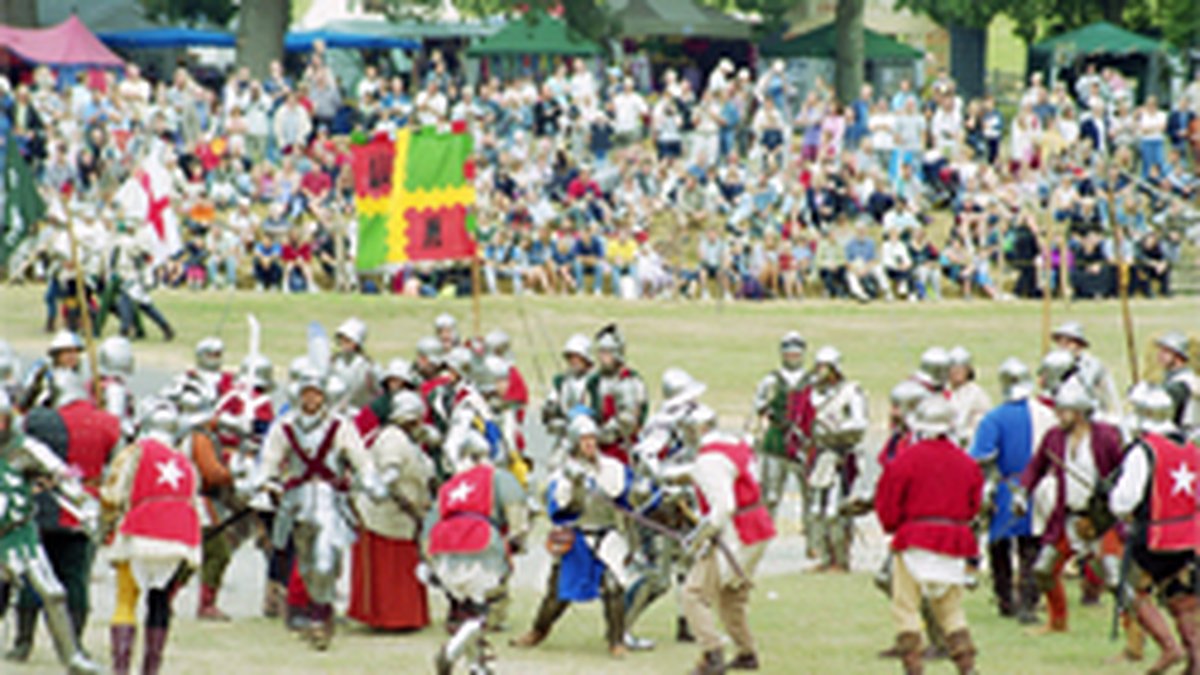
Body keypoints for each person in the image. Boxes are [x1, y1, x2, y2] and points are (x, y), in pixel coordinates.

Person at [254, 365, 384, 650]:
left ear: (324, 396)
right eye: (306, 393)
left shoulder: (340, 426)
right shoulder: (285, 425)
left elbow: (361, 460)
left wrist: (371, 482)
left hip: (330, 500)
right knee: (309, 564)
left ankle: (320, 620)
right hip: (297, 504)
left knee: (326, 559)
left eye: (316, 393)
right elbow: (269, 461)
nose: (311, 399)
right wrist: (262, 482)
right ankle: (315, 611)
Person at [11, 371, 119, 661]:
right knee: (75, 580)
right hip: (83, 510)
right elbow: (118, 463)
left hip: (40, 509)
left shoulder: (37, 421)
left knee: (33, 577)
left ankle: (22, 644)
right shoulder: (107, 422)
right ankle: (75, 645)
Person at [875, 396, 984, 675]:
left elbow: (888, 504)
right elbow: (973, 506)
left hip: (915, 539)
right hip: (954, 541)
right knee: (951, 610)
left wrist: (892, 528)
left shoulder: (906, 460)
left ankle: (914, 668)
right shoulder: (966, 463)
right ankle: (966, 666)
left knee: (906, 608)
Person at [512, 415, 632, 658]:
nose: (589, 444)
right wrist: (576, 486)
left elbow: (625, 498)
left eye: (592, 439)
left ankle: (616, 640)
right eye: (583, 440)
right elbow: (560, 511)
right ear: (574, 443)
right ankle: (538, 630)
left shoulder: (613, 468)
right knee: (558, 592)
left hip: (607, 535)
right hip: (576, 538)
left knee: (613, 586)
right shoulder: (562, 475)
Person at [0, 391, 102, 674]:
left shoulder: (24, 449)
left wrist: (85, 504)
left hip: (19, 534)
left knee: (52, 592)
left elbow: (63, 477)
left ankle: (72, 658)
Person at [673, 404, 776, 674]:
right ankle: (746, 652)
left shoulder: (708, 460)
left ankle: (712, 653)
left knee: (693, 594)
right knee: (732, 595)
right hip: (758, 528)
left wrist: (695, 539)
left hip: (736, 532)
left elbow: (723, 507)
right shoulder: (733, 444)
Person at [100, 402, 201, 675]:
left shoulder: (135, 452)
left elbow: (114, 493)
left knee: (126, 600)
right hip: (181, 539)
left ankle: (121, 670)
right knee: (159, 602)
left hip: (141, 531)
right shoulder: (185, 462)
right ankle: (150, 670)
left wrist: (107, 520)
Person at [1015, 379, 1123, 634]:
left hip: (1102, 517)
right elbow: (1035, 468)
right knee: (1044, 570)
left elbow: (1123, 471)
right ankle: (1057, 621)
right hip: (1067, 516)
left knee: (1115, 577)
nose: (1058, 415)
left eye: (1064, 411)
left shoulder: (1106, 436)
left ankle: (1135, 633)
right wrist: (1022, 493)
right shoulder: (1054, 437)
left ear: (1080, 412)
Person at [1108, 385, 1200, 673]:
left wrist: (1114, 501)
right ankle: (1195, 658)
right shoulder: (1192, 450)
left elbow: (1125, 500)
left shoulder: (1144, 450)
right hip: (1190, 538)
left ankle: (1169, 648)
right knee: (1183, 600)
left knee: (1129, 588)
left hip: (1154, 537)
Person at [427, 429, 529, 674]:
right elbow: (517, 510)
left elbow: (428, 528)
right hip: (481, 544)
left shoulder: (448, 486)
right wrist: (517, 540)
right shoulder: (498, 477)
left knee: (468, 608)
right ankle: (451, 651)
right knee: (487, 610)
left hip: (443, 551)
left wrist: (430, 564)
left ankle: (476, 665)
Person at [968, 358, 1056, 623]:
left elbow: (982, 457)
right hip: (1039, 486)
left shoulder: (994, 418)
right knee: (1031, 547)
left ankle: (1007, 600)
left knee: (1001, 546)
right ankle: (1029, 602)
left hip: (1007, 488)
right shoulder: (1045, 414)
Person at [348, 391, 436, 630]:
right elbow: (389, 475)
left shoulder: (410, 441)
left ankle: (405, 618)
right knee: (388, 571)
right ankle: (387, 618)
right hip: (384, 514)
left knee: (403, 568)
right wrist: (401, 500)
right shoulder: (392, 439)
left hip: (404, 518)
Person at [806, 346, 868, 572]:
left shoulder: (851, 392)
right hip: (821, 454)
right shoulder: (813, 393)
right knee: (815, 510)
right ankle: (823, 557)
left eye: (826, 367)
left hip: (843, 454)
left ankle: (840, 560)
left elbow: (860, 422)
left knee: (835, 510)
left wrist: (838, 428)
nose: (821, 372)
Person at [752, 331, 812, 520]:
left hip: (803, 442)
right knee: (770, 495)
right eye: (789, 353)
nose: (792, 357)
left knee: (810, 494)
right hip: (776, 441)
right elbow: (759, 404)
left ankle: (813, 540)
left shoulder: (812, 380)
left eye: (796, 354)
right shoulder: (771, 380)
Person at [586, 325, 647, 465]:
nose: (602, 357)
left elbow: (627, 421)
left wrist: (600, 435)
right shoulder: (596, 381)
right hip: (597, 444)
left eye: (606, 353)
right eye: (600, 352)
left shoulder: (628, 382)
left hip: (621, 447)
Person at [542, 333, 594, 468]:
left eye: (577, 357)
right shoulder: (562, 381)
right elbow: (552, 402)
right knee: (554, 465)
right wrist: (550, 410)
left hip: (587, 437)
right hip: (565, 435)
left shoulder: (594, 382)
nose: (573, 361)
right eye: (571, 357)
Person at [1051, 321, 1120, 416]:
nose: (1063, 347)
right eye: (1060, 342)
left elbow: (1109, 395)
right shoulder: (1053, 365)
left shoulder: (1094, 365)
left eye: (1068, 342)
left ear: (1079, 344)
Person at [947, 346, 992, 449]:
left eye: (961, 369)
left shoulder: (976, 394)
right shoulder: (944, 392)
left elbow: (983, 423)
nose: (956, 372)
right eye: (953, 368)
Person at [1156, 332, 1198, 440]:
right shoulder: (1173, 379)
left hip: (1183, 438)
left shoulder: (1181, 383)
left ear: (1178, 356)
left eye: (1165, 351)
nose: (1160, 355)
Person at [331, 317, 377, 410]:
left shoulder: (369, 367)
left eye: (348, 340)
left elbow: (378, 393)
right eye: (342, 339)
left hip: (360, 414)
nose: (344, 343)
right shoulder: (333, 362)